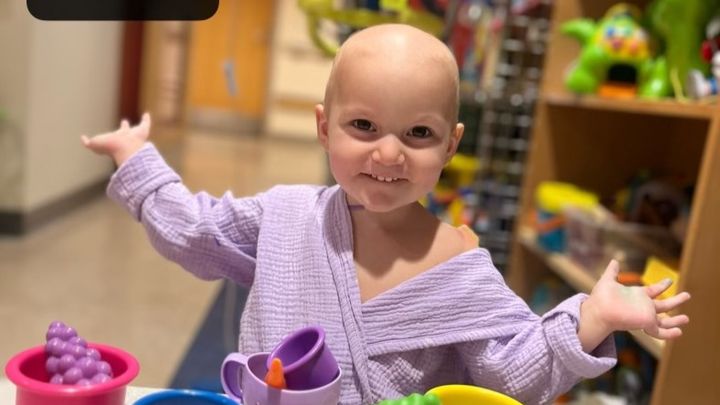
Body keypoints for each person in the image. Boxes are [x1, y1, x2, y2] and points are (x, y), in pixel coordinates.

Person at [82, 24, 690, 405]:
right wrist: (138, 160)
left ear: (450, 146)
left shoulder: (461, 270)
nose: (389, 153)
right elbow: (195, 232)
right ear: (325, 128)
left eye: (418, 133)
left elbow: (515, 374)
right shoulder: (287, 215)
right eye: (363, 126)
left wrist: (592, 317)